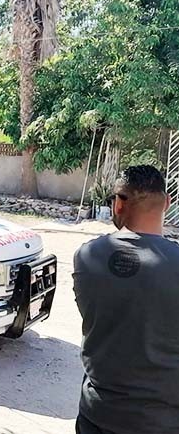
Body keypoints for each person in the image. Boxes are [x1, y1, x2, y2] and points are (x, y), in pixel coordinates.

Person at [73, 165, 179, 434]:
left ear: (119, 204)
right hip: (162, 421)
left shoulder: (86, 256)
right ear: (167, 202)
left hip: (97, 414)